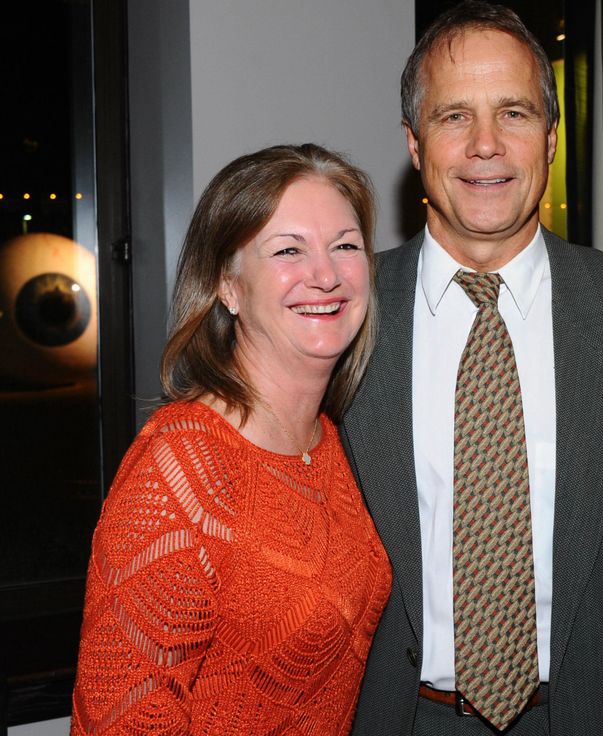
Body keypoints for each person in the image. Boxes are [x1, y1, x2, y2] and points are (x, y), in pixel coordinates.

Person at [340, 2, 603, 734]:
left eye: (512, 113)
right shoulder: (339, 315)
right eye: (454, 117)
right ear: (414, 145)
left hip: (584, 716)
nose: (486, 145)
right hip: (400, 716)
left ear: (550, 138)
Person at [70, 144, 391, 735]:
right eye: (289, 250)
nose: (326, 274)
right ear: (228, 287)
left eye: (345, 245)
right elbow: (122, 718)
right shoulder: (183, 467)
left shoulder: (334, 443)